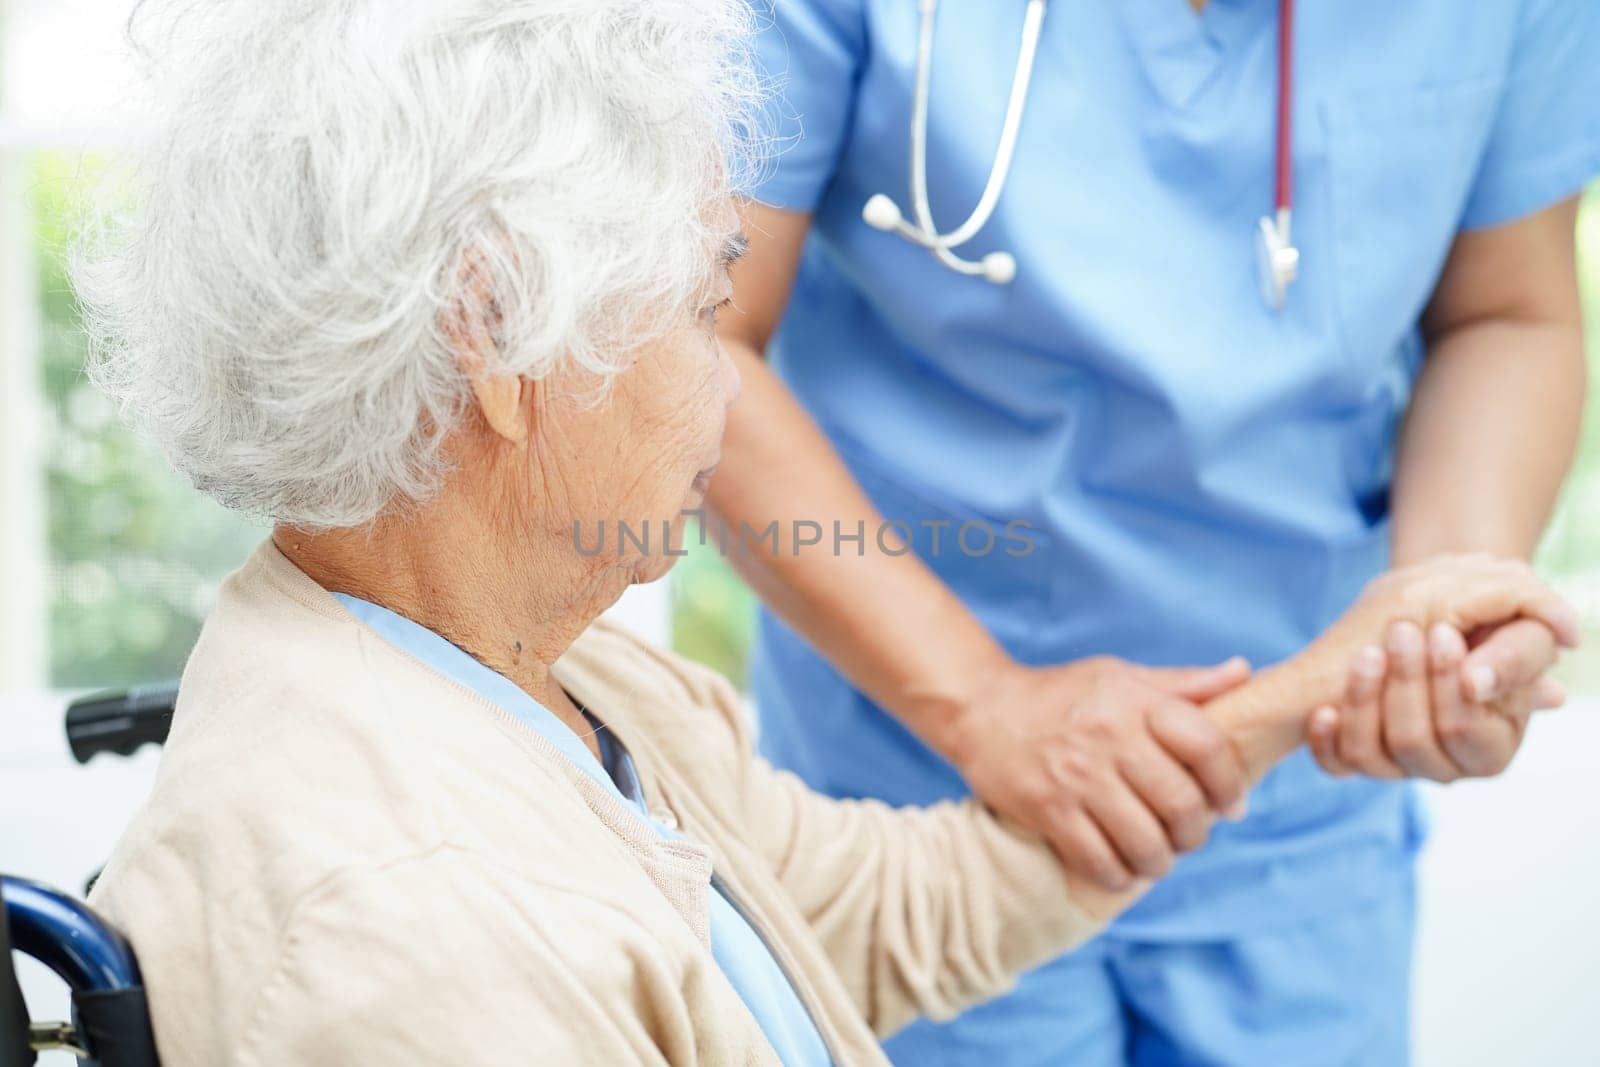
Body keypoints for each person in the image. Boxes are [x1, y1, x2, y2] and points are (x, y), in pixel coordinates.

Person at [70, 1, 1581, 1063]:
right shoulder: (397, 938)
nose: (729, 382)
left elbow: (869, 914)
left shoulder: (582, 684)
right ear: (498, 342)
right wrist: (984, 703)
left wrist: (1308, 688)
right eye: (693, 288)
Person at [709, 0, 1600, 1062]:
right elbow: (691, 331)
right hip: (914, 797)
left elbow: (1504, 309)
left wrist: (1441, 614)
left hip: (1297, 822)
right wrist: (981, 697)